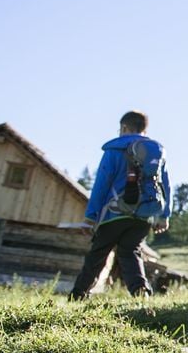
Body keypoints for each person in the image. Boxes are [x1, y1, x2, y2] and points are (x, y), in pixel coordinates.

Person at [71, 110, 170, 299]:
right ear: (144, 128)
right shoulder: (155, 152)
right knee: (130, 252)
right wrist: (164, 216)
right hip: (144, 215)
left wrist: (91, 216)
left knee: (98, 254)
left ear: (124, 127)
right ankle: (141, 292)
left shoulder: (114, 149)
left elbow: (102, 183)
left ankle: (78, 294)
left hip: (114, 213)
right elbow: (165, 185)